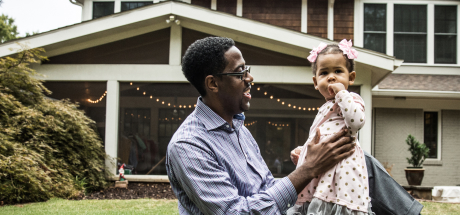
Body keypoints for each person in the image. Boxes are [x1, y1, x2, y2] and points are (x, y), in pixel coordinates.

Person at [165, 37, 357, 214]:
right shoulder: (189, 145)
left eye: (247, 70)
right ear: (213, 83)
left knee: (357, 160)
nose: (249, 78)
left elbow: (267, 188)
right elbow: (236, 212)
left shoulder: (240, 130)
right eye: (240, 73)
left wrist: (312, 165)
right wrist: (308, 169)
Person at [288, 40, 371, 215]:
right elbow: (322, 135)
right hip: (322, 172)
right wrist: (304, 153)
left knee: (334, 205)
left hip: (342, 170)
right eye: (324, 73)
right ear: (316, 82)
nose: (331, 77)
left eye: (338, 71)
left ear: (351, 77)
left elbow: (356, 122)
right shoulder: (324, 108)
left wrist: (342, 94)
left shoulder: (351, 99)